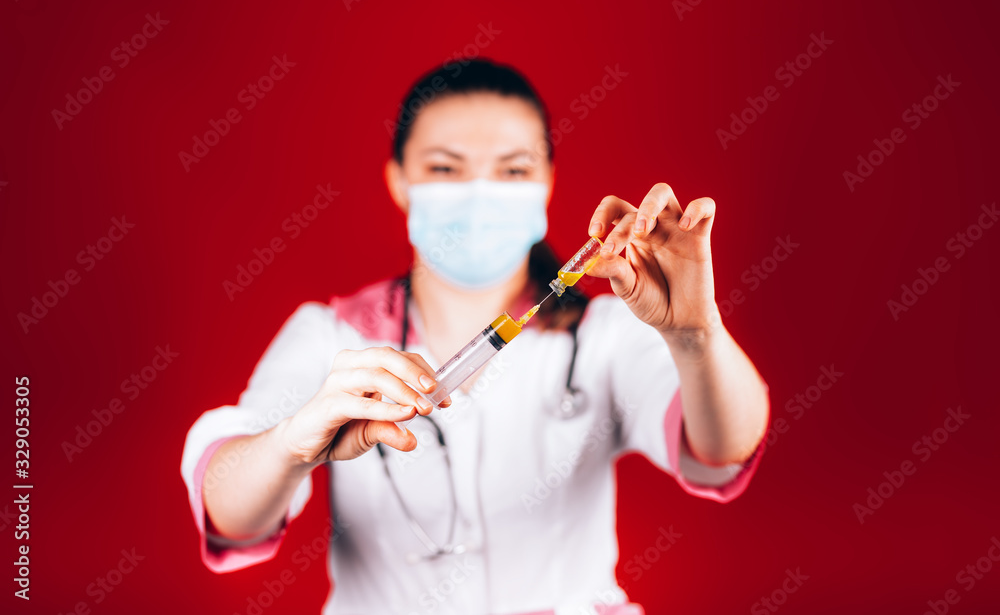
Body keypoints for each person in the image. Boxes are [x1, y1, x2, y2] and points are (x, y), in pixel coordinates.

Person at [180, 58, 770, 614]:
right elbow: (230, 511)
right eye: (444, 167)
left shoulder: (605, 333)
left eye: (513, 169)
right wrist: (287, 446)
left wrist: (696, 334)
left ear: (547, 182)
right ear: (399, 181)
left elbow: (721, 453)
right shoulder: (328, 336)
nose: (481, 191)